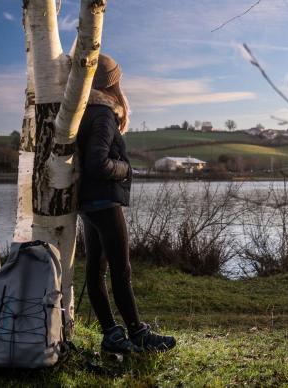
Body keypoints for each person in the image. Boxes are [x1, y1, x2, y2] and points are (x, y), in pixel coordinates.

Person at [77, 54, 176, 354]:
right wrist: (126, 169)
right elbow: (97, 162)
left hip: (87, 201)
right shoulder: (105, 114)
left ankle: (111, 333)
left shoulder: (82, 112)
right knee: (121, 270)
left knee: (96, 270)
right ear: (113, 84)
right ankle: (137, 333)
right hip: (105, 201)